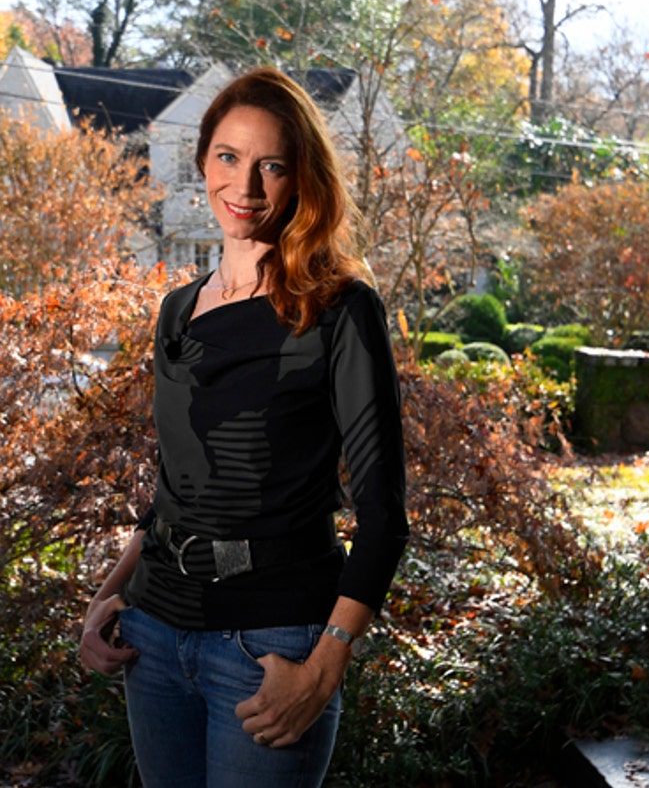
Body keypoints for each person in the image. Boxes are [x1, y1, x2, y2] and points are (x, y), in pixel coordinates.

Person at [76, 67, 410, 787]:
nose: (246, 187)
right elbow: (175, 489)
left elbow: (384, 518)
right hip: (154, 636)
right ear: (203, 161)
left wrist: (324, 670)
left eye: (272, 166)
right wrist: (106, 597)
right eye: (228, 157)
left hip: (271, 646)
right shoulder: (176, 310)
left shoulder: (340, 310)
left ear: (302, 180)